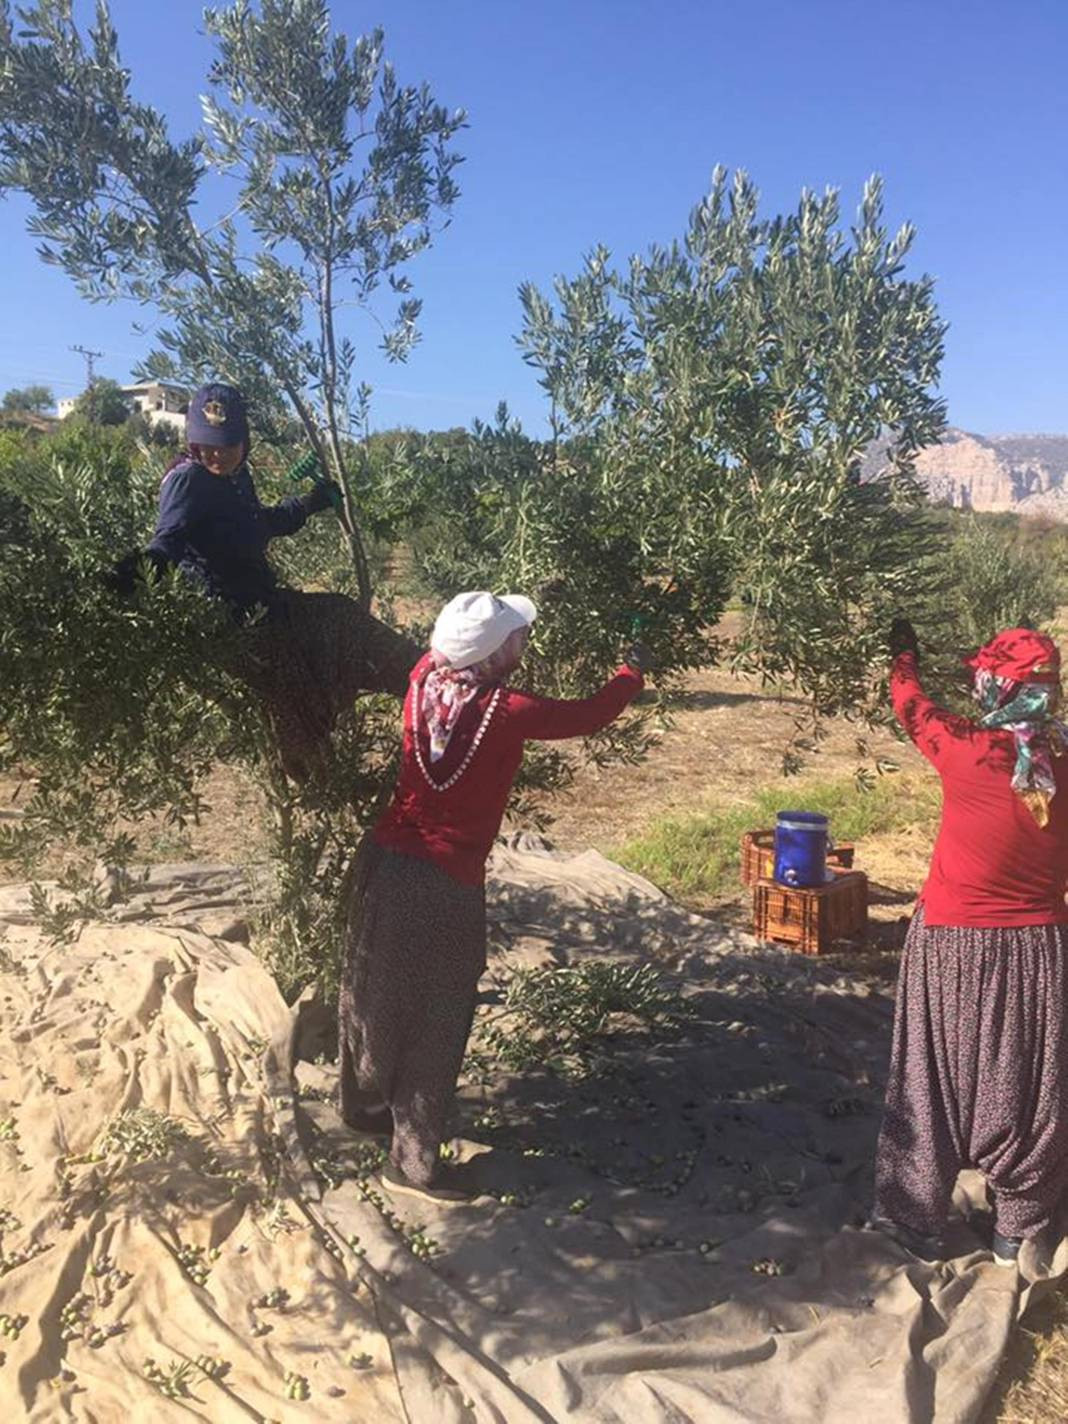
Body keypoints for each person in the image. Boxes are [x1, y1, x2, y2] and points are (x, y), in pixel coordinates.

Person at [338, 590, 650, 1205]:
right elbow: (588, 715)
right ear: (492, 651)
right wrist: (629, 673)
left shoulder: (423, 677)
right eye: (516, 637)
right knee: (438, 1013)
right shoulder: (507, 710)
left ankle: (363, 1107)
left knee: (370, 986)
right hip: (442, 881)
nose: (523, 644)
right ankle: (413, 1166)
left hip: (384, 862)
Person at [872, 618, 1068, 1267]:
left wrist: (904, 650)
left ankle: (915, 1217)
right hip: (1040, 949)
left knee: (931, 1074)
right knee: (1028, 1089)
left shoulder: (963, 747)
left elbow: (909, 701)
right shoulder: (1063, 760)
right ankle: (1018, 1231)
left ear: (992, 686)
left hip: (952, 940)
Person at [115, 381, 416, 778]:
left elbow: (256, 525)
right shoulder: (188, 479)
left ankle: (422, 679)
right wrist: (142, 569)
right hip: (227, 618)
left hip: (259, 602)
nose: (218, 454)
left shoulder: (236, 477)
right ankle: (313, 769)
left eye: (228, 444)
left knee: (341, 617)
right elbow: (168, 539)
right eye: (208, 445)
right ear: (192, 440)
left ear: (245, 441)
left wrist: (307, 505)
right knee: (293, 667)